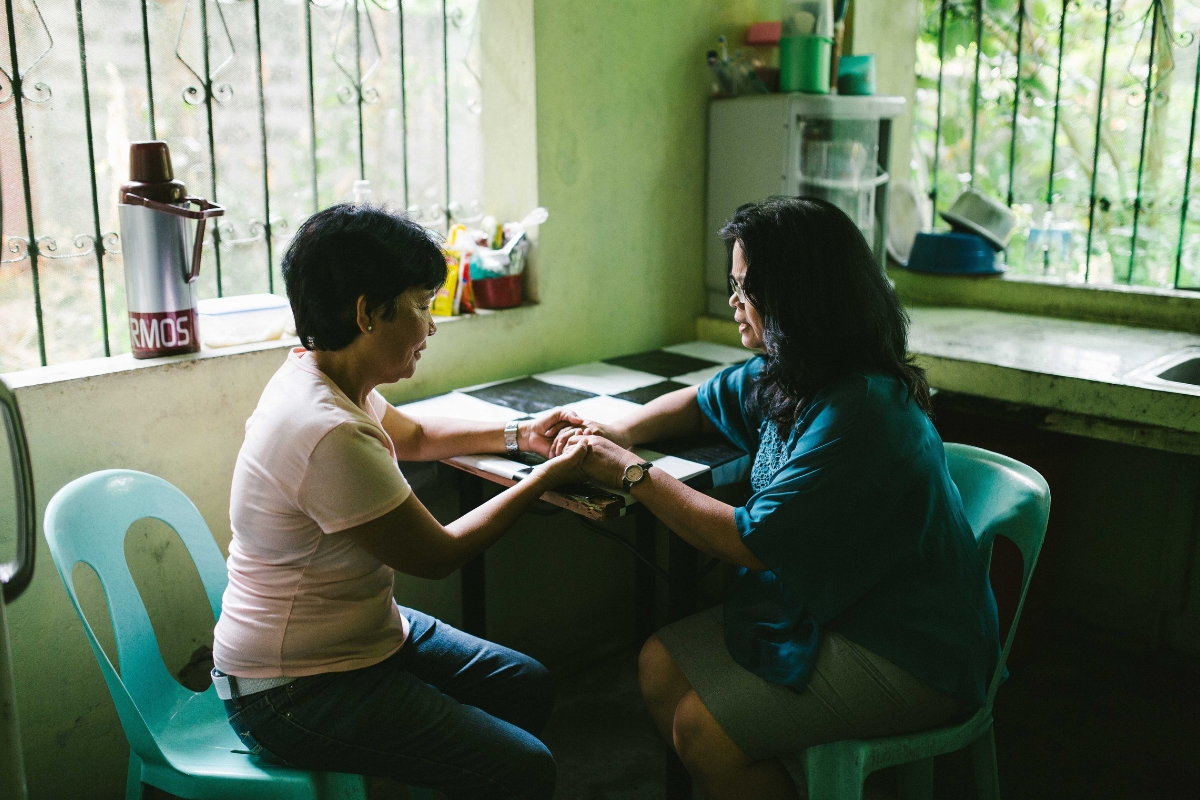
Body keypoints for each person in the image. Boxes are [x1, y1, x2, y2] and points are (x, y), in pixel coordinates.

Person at [553, 197, 1001, 799]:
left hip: (909, 643)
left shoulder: (858, 411)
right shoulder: (796, 369)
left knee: (703, 729)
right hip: (838, 600)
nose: (735, 304)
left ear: (796, 300)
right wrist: (626, 430)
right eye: (733, 287)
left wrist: (632, 473)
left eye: (745, 291)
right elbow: (711, 397)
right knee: (660, 664)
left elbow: (748, 541)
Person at [211, 203, 588, 799]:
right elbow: (438, 555)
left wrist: (522, 435)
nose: (431, 326)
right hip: (291, 689)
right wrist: (545, 477)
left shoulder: (325, 375)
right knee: (525, 769)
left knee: (526, 685)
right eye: (420, 305)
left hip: (360, 636)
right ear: (367, 313)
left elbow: (413, 437)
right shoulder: (325, 429)